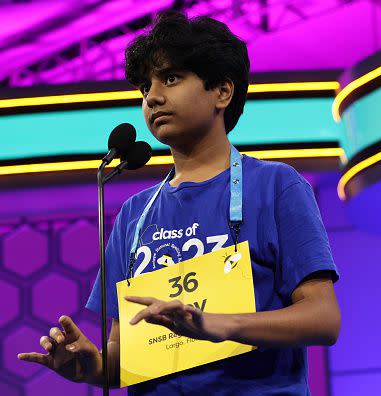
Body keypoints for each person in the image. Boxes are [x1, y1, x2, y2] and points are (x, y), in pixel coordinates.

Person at [17, 10, 340, 396]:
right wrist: (94, 365)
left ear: (222, 91)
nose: (152, 97)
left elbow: (323, 318)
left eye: (170, 78)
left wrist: (219, 324)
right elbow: (130, 354)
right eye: (144, 87)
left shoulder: (275, 186)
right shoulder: (134, 216)